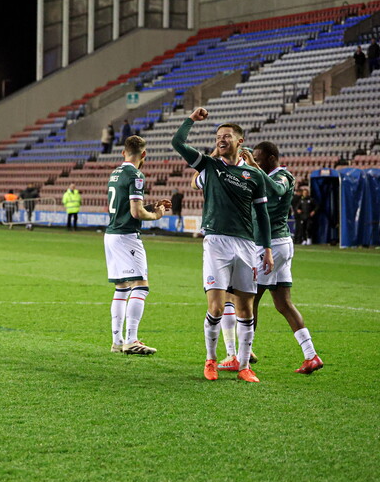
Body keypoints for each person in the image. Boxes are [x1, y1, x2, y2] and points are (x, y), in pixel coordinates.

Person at [171, 107, 274, 383]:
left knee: (246, 309)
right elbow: (177, 143)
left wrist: (266, 248)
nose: (221, 139)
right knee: (216, 308)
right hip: (216, 243)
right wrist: (191, 120)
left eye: (227, 136)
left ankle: (243, 366)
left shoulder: (254, 176)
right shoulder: (209, 165)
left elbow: (262, 215)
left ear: (240, 141)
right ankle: (211, 360)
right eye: (218, 136)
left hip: (246, 245)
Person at [242, 142, 323, 374]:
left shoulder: (284, 176)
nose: (255, 162)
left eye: (259, 158)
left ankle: (243, 355)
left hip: (272, 246)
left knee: (249, 299)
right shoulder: (262, 175)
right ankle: (311, 356)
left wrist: (254, 168)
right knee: (283, 304)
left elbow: (277, 191)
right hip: (278, 245)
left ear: (271, 158)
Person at [105, 135, 171, 355]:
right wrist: (157, 215)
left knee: (121, 287)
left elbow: (127, 206)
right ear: (144, 154)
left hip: (111, 234)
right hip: (126, 236)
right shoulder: (136, 175)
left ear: (123, 152)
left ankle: (117, 341)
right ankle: (131, 339)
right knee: (140, 286)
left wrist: (150, 206)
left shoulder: (115, 173)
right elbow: (135, 212)